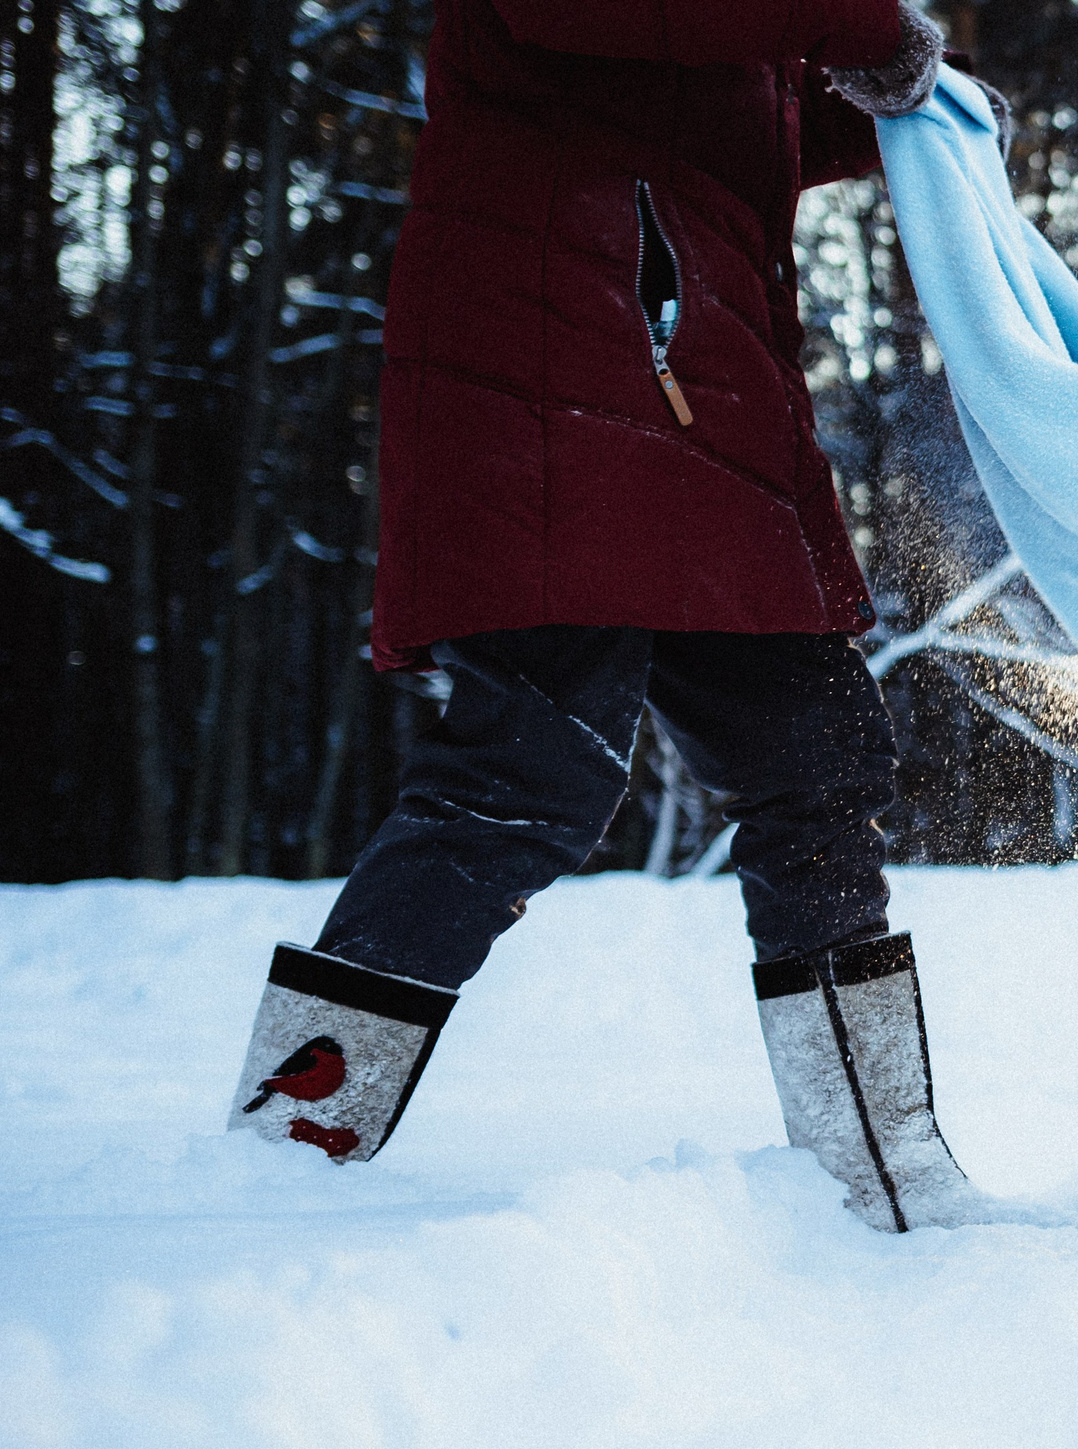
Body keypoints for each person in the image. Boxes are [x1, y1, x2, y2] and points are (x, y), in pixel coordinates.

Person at [223, 0, 1004, 1232]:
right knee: (522, 779)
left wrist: (917, 101)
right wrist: (858, 26)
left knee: (815, 766)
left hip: (707, 416)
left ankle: (884, 1170)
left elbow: (743, 113)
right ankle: (285, 1153)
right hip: (552, 396)